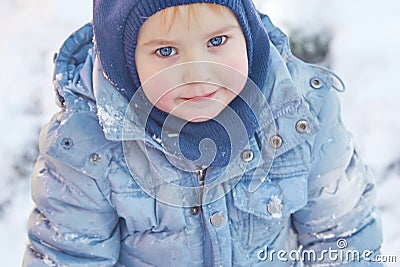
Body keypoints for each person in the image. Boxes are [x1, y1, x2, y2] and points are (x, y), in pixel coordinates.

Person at [23, 0, 383, 266]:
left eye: (216, 43)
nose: (197, 72)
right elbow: (67, 255)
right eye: (166, 51)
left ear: (246, 34)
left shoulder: (298, 114)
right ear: (125, 60)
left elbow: (342, 232)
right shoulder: (88, 148)